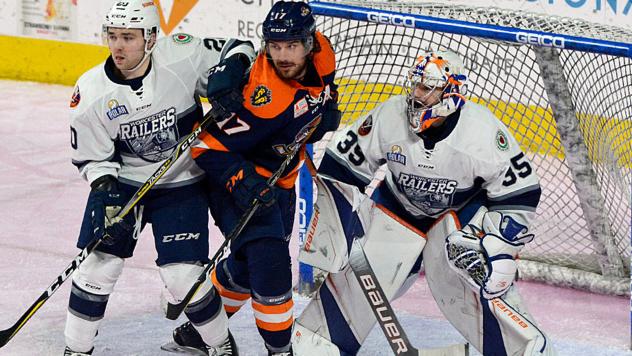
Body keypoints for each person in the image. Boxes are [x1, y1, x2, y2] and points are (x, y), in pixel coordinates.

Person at [292, 51, 556, 355]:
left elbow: (521, 193)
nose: (417, 94)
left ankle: (518, 347)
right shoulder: (391, 116)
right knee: (355, 280)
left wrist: (498, 245)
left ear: (450, 93)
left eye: (428, 87)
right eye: (416, 84)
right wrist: (343, 221)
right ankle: (322, 340)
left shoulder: (482, 132)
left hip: (460, 218)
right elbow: (342, 166)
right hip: (397, 210)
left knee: (473, 261)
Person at [64, 0, 255, 355]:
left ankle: (221, 346)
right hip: (123, 185)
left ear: (151, 39)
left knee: (183, 278)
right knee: (96, 268)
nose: (118, 46)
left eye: (129, 37)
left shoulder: (182, 54)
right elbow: (91, 157)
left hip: (182, 183)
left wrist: (232, 71)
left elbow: (240, 47)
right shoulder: (91, 92)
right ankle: (76, 349)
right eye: (113, 36)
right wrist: (105, 190)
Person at [165, 2, 341, 355]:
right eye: (275, 47)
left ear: (309, 43)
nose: (283, 56)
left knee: (247, 268)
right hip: (234, 182)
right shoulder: (263, 97)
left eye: (291, 46)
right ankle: (280, 350)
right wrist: (241, 181)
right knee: (271, 264)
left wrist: (323, 114)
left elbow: (320, 92)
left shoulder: (325, 55)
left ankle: (200, 332)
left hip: (282, 179)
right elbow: (206, 147)